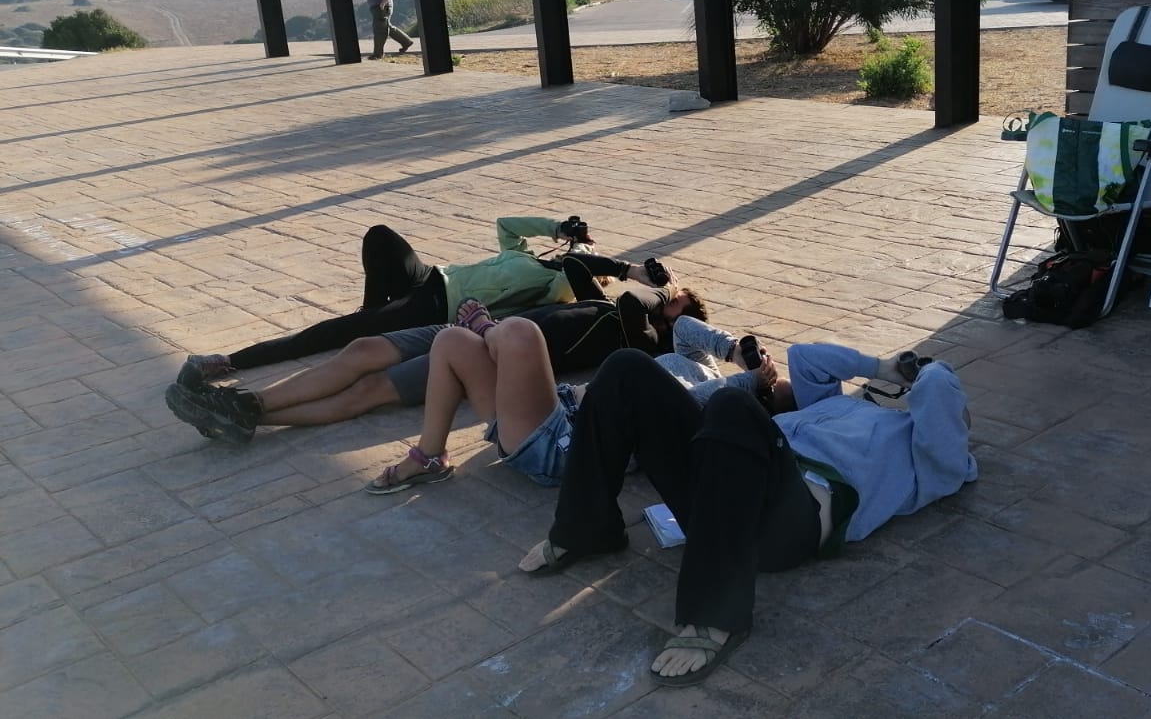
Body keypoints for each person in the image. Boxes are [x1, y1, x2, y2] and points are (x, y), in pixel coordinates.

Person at [516, 342, 976, 686]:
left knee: (732, 405)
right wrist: (880, 367)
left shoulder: (929, 457)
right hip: (720, 489)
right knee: (625, 368)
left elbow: (940, 392)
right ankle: (588, 526)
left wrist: (928, 370)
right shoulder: (834, 405)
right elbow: (806, 355)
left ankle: (715, 612)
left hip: (782, 527)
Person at [163, 283, 707, 444]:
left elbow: (636, 305)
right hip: (477, 323)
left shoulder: (639, 342)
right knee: (362, 350)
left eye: (679, 296)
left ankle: (250, 410)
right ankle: (239, 406)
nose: (670, 289)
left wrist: (666, 304)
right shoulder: (611, 307)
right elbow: (576, 266)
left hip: (489, 351)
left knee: (371, 390)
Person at [173, 217, 671, 389]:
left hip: (437, 306)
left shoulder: (557, 287)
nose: (578, 251)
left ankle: (229, 361)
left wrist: (621, 267)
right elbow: (507, 224)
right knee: (380, 237)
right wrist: (557, 229)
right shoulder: (530, 259)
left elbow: (583, 269)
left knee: (326, 334)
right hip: (430, 276)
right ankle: (369, 322)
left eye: (584, 252)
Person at [363, 303, 780, 493]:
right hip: (555, 410)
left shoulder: (715, 406)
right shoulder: (706, 369)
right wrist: (733, 353)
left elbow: (712, 395)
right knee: (451, 341)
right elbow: (686, 327)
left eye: (779, 388)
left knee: (522, 333)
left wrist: (750, 384)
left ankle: (487, 329)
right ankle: (430, 456)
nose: (775, 374)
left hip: (565, 446)